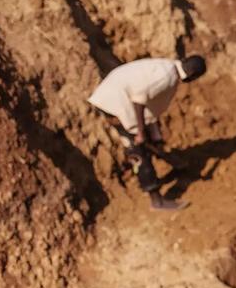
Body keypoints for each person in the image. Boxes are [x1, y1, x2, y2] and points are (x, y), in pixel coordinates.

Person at [87, 55, 207, 211]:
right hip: (114, 103)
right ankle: (157, 201)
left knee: (147, 141)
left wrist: (152, 134)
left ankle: (172, 167)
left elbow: (148, 102)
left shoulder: (168, 68)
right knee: (139, 150)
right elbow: (139, 100)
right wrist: (141, 133)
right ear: (192, 75)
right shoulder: (167, 76)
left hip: (114, 98)